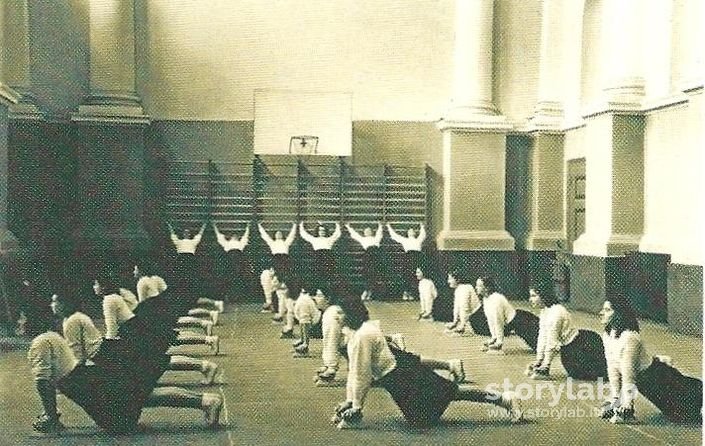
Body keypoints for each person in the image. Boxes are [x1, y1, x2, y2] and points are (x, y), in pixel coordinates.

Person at [332, 298, 522, 429]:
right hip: (397, 373)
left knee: (451, 393)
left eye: (340, 313)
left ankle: (505, 399)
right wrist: (351, 402)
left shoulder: (361, 336)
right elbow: (356, 374)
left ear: (351, 314)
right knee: (425, 414)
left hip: (400, 374)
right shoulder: (360, 331)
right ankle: (502, 398)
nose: (336, 317)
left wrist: (356, 406)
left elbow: (361, 375)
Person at [27, 318, 223, 434]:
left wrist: (51, 417)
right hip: (86, 380)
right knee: (143, 396)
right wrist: (51, 414)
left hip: (86, 384)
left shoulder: (40, 343)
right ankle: (205, 400)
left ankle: (206, 400)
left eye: (22, 319)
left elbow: (43, 383)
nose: (20, 322)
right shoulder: (50, 338)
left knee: (136, 404)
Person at [52, 294, 220, 387]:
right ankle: (204, 364)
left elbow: (78, 356)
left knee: (157, 362)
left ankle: (205, 365)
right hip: (110, 347)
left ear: (65, 303)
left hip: (109, 350)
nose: (52, 305)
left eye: (55, 301)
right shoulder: (74, 318)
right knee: (159, 358)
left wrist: (69, 379)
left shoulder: (74, 320)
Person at [599, 295, 702, 425]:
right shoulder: (608, 335)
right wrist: (615, 399)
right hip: (645, 382)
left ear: (619, 313)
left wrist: (627, 407)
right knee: (673, 412)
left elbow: (628, 375)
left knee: (686, 412)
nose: (601, 313)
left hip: (656, 378)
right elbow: (612, 367)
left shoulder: (630, 337)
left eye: (607, 310)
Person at [526, 282, 606, 381]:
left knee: (595, 376)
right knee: (575, 374)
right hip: (569, 348)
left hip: (583, 345)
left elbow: (552, 342)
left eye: (534, 296)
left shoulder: (556, 313)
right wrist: (538, 360)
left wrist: (545, 367)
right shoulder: (545, 311)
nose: (530, 299)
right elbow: (542, 336)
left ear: (543, 296)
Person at [476, 276, 538, 353]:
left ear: (487, 288)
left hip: (521, 322)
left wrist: (499, 342)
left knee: (539, 346)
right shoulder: (486, 299)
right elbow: (490, 320)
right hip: (514, 322)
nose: (476, 288)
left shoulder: (496, 299)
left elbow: (498, 321)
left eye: (479, 286)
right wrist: (494, 337)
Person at [213, 222, 252, 302]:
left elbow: (245, 236)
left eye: (236, 236)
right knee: (229, 279)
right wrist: (214, 226)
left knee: (238, 279)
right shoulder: (227, 244)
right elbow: (219, 237)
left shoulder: (241, 244)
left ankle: (238, 297)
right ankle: (229, 296)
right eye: (233, 235)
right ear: (230, 238)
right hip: (230, 262)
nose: (234, 236)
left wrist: (248, 227)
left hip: (238, 262)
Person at [386, 223, 426, 300]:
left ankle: (413, 293)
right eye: (409, 231)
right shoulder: (405, 240)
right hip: (408, 258)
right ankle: (406, 292)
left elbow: (423, 235)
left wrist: (422, 227)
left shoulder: (418, 240)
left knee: (416, 275)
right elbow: (395, 236)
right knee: (407, 275)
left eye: (412, 231)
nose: (411, 232)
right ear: (407, 233)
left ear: (415, 233)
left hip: (417, 258)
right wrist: (389, 227)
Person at [314, 289, 345, 385]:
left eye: (319, 296)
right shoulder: (332, 310)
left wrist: (331, 367)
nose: (315, 298)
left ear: (328, 299)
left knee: (336, 340)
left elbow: (332, 341)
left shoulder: (331, 314)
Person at [345, 223, 383, 301]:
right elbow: (355, 235)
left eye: (369, 231)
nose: (367, 232)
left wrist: (380, 226)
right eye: (366, 231)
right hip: (368, 256)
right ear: (364, 233)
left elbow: (379, 233)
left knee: (376, 275)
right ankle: (366, 291)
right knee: (368, 274)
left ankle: (372, 293)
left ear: (371, 232)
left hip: (376, 256)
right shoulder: (363, 239)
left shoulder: (376, 239)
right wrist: (348, 227)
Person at [299, 221, 341, 290]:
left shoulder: (329, 239)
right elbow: (304, 235)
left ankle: (328, 293)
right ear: (317, 231)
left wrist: (337, 225)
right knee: (318, 276)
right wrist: (301, 225)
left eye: (323, 230)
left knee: (329, 276)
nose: (322, 232)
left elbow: (337, 234)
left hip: (328, 259)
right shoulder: (314, 240)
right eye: (320, 230)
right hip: (318, 259)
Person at [292, 288, 324, 357]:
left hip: (320, 321)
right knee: (303, 305)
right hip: (316, 319)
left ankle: (305, 344)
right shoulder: (304, 296)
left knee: (304, 305)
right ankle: (303, 340)